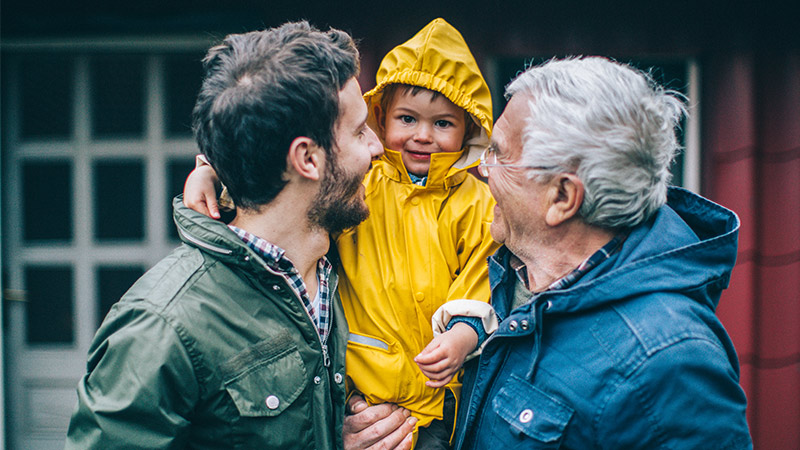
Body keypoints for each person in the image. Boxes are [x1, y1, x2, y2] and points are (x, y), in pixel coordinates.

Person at [64, 21, 415, 449]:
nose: (379, 148)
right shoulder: (161, 326)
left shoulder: (340, 265)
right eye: (360, 132)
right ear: (306, 158)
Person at [184, 18, 500, 449]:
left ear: (469, 130)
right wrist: (215, 173)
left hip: (436, 395)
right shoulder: (361, 182)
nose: (423, 136)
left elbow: (482, 274)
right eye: (407, 118)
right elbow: (275, 173)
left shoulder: (475, 202)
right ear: (383, 117)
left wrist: (465, 332)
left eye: (443, 124)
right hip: (354, 384)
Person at [449, 56, 753, 448]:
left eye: (500, 154)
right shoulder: (506, 279)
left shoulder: (668, 363)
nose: (483, 169)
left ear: (561, 196)